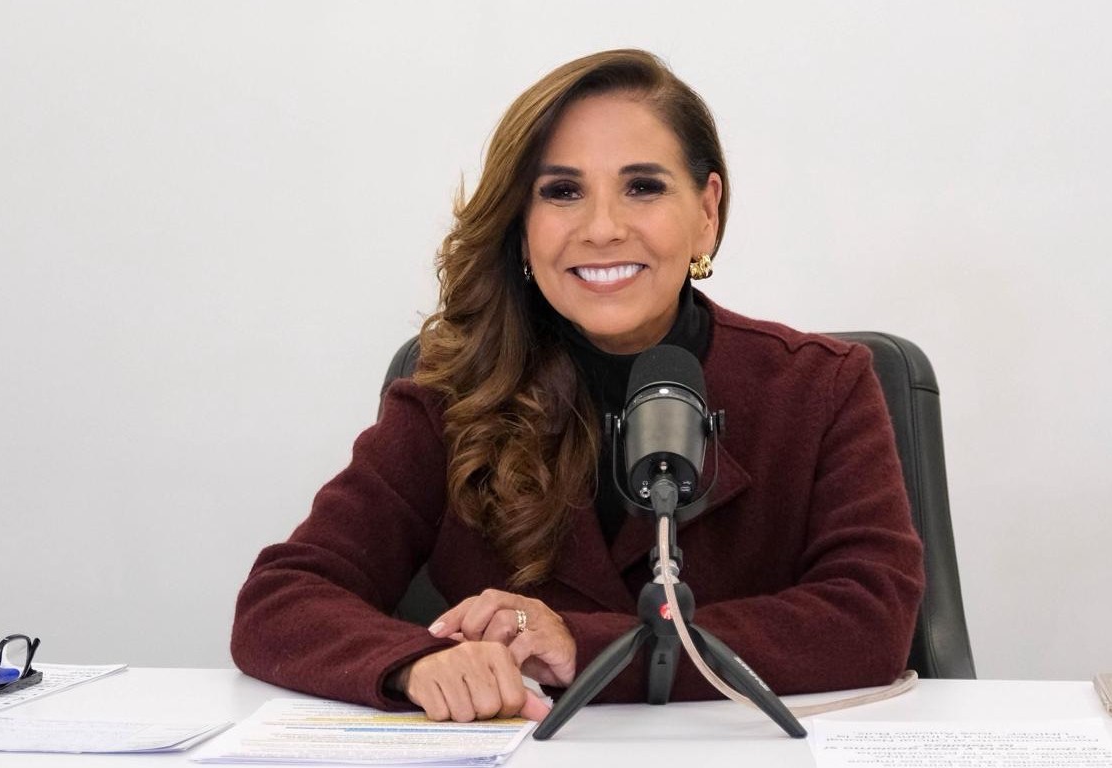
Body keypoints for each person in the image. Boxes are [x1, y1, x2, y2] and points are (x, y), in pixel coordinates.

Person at [231, 49, 924, 723]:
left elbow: (870, 619)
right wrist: (413, 663)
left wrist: (585, 647)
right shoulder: (453, 389)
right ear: (521, 225)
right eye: (562, 191)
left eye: (643, 187)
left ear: (706, 213)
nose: (601, 229)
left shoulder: (822, 387)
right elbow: (283, 598)